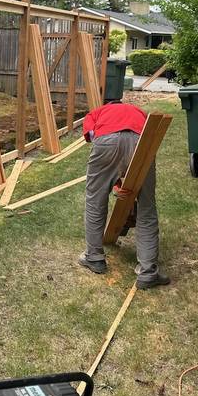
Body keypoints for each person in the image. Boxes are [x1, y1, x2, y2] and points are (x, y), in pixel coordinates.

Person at [78, 100, 170, 290]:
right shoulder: (138, 111)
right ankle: (148, 271)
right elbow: (143, 138)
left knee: (95, 200)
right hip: (141, 142)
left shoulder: (97, 112)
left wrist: (112, 180)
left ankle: (94, 257)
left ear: (109, 104)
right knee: (147, 207)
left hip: (106, 142)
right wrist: (124, 184)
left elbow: (91, 135)